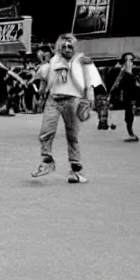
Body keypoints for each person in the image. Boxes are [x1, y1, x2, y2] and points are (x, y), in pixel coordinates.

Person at [31, 33, 104, 183]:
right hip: (54, 99)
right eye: (63, 46)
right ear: (59, 47)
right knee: (46, 131)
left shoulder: (83, 61)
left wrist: (89, 99)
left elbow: (90, 81)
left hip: (73, 100)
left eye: (70, 46)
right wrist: (41, 93)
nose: (67, 48)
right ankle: (47, 161)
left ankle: (75, 170)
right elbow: (45, 79)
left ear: (74, 46)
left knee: (73, 135)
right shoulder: (53, 61)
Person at [109, 52, 140, 141]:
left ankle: (132, 134)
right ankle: (131, 134)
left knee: (130, 117)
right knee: (129, 117)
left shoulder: (136, 73)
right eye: (126, 60)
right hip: (128, 99)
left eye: (130, 60)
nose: (128, 62)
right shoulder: (122, 74)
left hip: (134, 99)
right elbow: (118, 86)